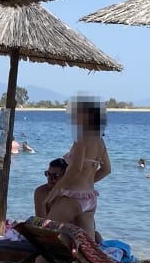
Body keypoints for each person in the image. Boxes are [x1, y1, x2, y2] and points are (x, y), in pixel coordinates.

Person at [45, 98, 111, 236]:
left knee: (46, 233)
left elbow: (76, 168)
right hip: (89, 198)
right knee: (87, 245)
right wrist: (87, 182)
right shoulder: (100, 141)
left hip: (73, 197)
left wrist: (57, 189)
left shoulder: (81, 138)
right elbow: (106, 170)